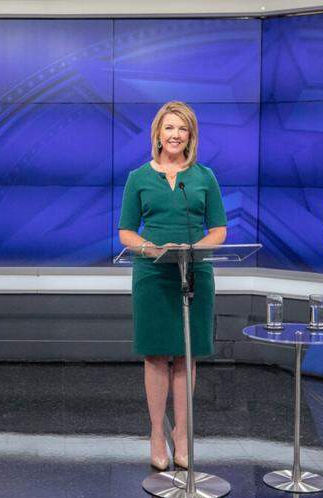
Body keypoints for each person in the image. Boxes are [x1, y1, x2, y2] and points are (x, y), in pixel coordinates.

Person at [118, 101, 228, 470]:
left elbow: (219, 231)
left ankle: (182, 434)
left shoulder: (204, 176)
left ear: (191, 135)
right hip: (152, 273)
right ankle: (155, 433)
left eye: (182, 129)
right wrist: (151, 249)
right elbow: (126, 232)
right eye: (169, 128)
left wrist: (192, 250)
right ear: (157, 134)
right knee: (155, 354)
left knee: (185, 354)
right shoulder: (138, 177)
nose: (175, 135)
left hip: (194, 272)